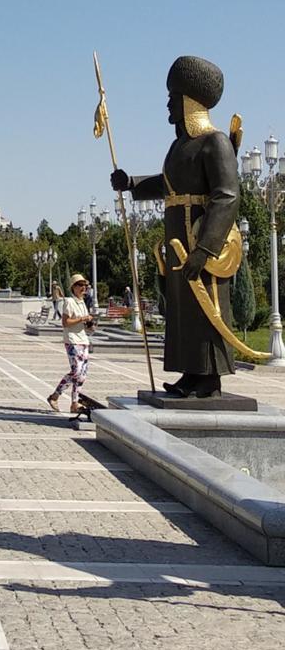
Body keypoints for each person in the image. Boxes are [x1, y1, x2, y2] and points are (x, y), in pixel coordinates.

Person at [111, 55, 241, 399]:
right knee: (183, 311)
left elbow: (227, 197)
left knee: (206, 306)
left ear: (190, 101)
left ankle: (210, 378)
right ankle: (191, 372)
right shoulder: (180, 146)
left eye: (173, 98)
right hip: (176, 238)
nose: (168, 104)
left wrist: (206, 248)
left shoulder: (216, 142)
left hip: (201, 241)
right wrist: (131, 183)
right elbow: (168, 183)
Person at [47, 274, 94, 413]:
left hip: (83, 340)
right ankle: (55, 396)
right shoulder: (69, 301)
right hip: (72, 340)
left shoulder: (83, 303)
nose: (83, 288)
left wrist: (90, 325)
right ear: (73, 287)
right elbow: (65, 323)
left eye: (84, 285)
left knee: (82, 375)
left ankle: (74, 403)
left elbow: (85, 325)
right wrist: (81, 319)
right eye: (80, 285)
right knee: (76, 371)